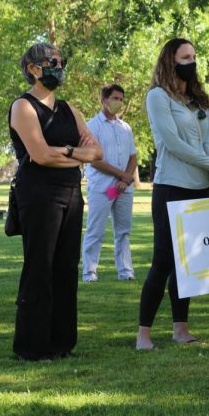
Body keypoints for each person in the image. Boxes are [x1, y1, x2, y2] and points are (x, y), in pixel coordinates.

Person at [9, 42, 103, 360]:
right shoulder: (23, 107)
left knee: (66, 268)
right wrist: (75, 154)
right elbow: (39, 155)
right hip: (38, 195)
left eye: (60, 62)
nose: (58, 67)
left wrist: (65, 152)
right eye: (52, 62)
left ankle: (61, 342)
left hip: (71, 195)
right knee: (40, 268)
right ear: (33, 69)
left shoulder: (69, 109)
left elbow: (97, 152)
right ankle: (32, 346)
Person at [136, 38, 209, 351]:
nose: (192, 61)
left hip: (201, 188)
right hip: (171, 187)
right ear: (170, 60)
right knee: (162, 261)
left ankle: (181, 329)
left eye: (194, 56)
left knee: (185, 263)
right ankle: (143, 335)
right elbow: (173, 144)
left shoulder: (198, 98)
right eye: (185, 57)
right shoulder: (157, 96)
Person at [81, 84, 138, 283]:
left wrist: (126, 179)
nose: (119, 103)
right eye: (115, 98)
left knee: (123, 231)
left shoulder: (126, 128)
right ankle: (89, 272)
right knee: (95, 230)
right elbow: (94, 160)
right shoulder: (91, 126)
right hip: (101, 188)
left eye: (122, 99)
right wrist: (122, 176)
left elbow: (133, 157)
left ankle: (125, 271)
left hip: (124, 189)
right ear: (104, 100)